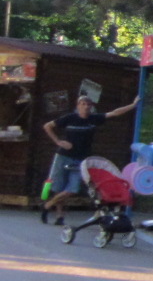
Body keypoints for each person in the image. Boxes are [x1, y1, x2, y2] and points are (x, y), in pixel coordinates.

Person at [42, 94, 141, 225]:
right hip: (63, 156)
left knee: (72, 189)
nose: (86, 107)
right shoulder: (69, 118)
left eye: (88, 104)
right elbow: (47, 126)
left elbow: (114, 113)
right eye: (83, 104)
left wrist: (133, 105)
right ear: (78, 106)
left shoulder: (93, 119)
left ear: (91, 107)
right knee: (58, 187)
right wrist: (58, 141)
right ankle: (60, 216)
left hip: (81, 159)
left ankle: (47, 206)